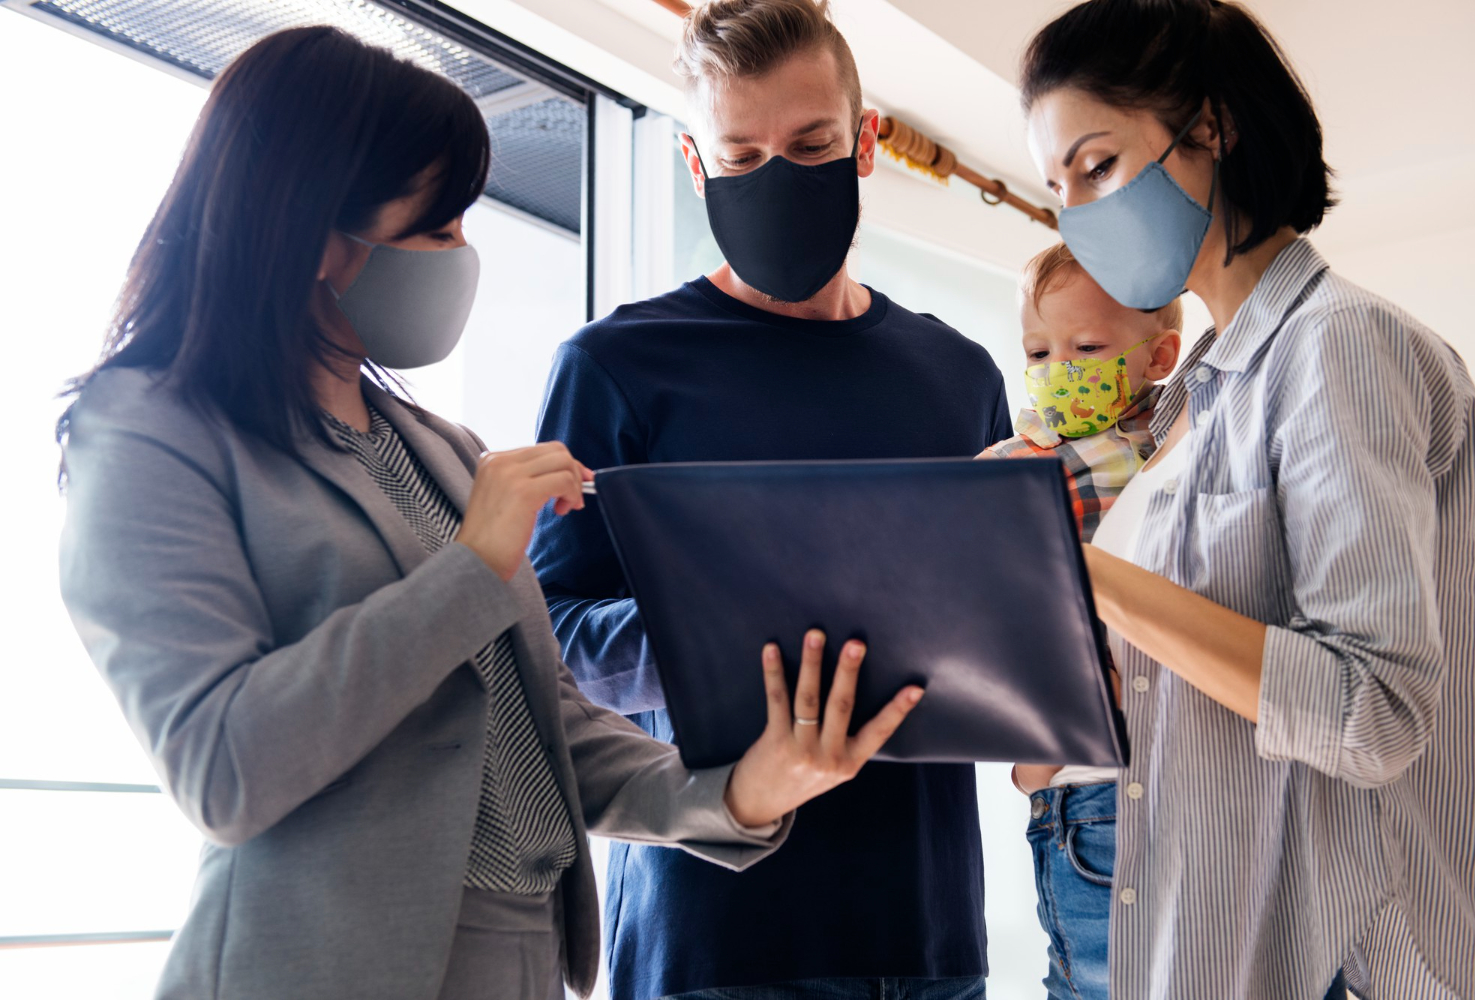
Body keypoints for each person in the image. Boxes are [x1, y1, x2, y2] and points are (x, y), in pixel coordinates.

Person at [54, 27, 923, 1000]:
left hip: (518, 960)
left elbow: (556, 732)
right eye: (436, 227)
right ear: (312, 238)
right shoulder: (146, 429)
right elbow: (221, 767)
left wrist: (744, 791)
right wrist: (471, 568)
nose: (462, 255)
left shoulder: (442, 449)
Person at [1018, 1, 1475, 998]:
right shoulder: (1199, 395)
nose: (1077, 212)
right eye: (1056, 188)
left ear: (1210, 128)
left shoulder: (1340, 344)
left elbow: (1371, 713)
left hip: (1358, 964)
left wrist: (1068, 563)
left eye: (1097, 166)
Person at [527, 1, 1008, 997]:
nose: (775, 177)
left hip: (926, 937)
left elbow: (996, 627)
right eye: (739, 157)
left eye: (810, 143)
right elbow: (548, 644)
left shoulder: (959, 375)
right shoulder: (616, 368)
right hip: (714, 935)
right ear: (694, 167)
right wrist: (733, 639)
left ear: (864, 142)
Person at [979, 241, 1181, 999]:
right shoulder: (1009, 467)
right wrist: (1035, 758)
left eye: (1086, 347)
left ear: (1158, 356)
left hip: (1185, 756)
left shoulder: (1186, 448)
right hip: (1084, 778)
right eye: (1038, 349)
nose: (1056, 364)